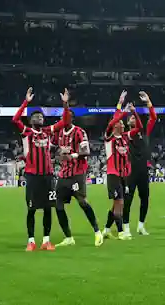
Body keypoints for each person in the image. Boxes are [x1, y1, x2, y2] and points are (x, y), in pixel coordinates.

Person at [12, 87, 71, 252]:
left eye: (41, 116)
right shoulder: (27, 132)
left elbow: (65, 121)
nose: (39, 117)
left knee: (48, 208)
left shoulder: (48, 132)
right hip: (32, 176)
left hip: (48, 176)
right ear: (31, 121)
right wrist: (26, 102)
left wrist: (65, 104)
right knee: (31, 209)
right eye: (35, 116)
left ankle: (46, 240)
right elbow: (15, 120)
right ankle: (31, 241)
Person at [53, 98, 105, 247]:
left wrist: (73, 155)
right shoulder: (60, 134)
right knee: (58, 205)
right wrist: (58, 156)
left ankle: (97, 232)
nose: (64, 118)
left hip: (77, 172)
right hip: (64, 174)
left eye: (67, 116)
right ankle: (68, 237)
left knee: (82, 202)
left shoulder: (79, 132)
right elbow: (58, 151)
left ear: (71, 118)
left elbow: (86, 151)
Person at [104, 91, 142, 240]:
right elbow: (112, 122)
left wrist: (134, 112)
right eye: (120, 122)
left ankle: (107, 229)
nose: (122, 123)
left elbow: (139, 127)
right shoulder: (109, 138)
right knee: (119, 203)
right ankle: (121, 232)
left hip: (124, 176)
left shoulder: (126, 137)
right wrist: (121, 109)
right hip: (113, 175)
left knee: (117, 205)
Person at [121, 92, 157, 236]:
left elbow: (153, 117)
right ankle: (126, 228)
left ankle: (141, 226)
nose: (131, 119)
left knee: (145, 198)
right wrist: (122, 108)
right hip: (129, 171)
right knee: (128, 200)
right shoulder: (124, 136)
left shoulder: (144, 131)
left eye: (133, 117)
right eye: (129, 118)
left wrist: (148, 102)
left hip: (143, 170)